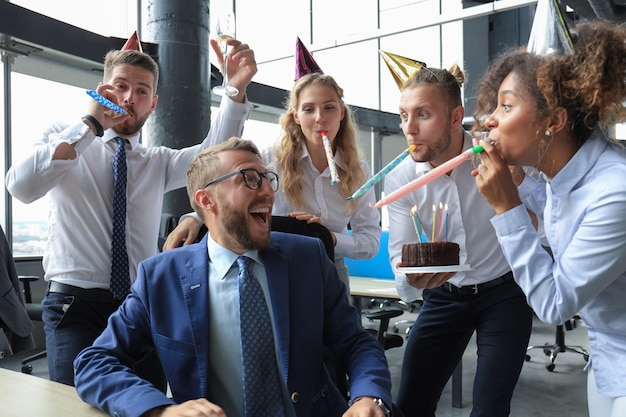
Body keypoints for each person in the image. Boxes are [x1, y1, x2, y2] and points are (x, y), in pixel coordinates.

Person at [73, 137, 393, 417]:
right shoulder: (161, 277)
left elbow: (355, 342)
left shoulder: (307, 258)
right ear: (206, 200)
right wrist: (161, 409)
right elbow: (95, 363)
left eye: (268, 179)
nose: (268, 190)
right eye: (250, 179)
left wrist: (368, 395)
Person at [4, 36, 257, 386]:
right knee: (73, 407)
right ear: (100, 90)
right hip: (73, 307)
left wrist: (232, 92)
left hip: (139, 307)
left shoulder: (157, 162)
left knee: (147, 402)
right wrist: (90, 126)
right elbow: (21, 187)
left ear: (152, 104)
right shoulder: (64, 139)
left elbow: (216, 156)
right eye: (120, 86)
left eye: (141, 91)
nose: (128, 98)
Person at [472, 20, 626, 417]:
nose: (490, 120)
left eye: (505, 106)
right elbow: (552, 231)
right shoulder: (560, 177)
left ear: (552, 122)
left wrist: (506, 208)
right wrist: (519, 185)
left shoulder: (614, 191)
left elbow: (555, 304)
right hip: (607, 355)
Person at [384, 65, 533, 417]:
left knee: (490, 409)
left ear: (456, 117)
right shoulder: (401, 179)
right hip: (444, 296)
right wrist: (410, 278)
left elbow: (540, 226)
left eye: (423, 114)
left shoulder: (495, 159)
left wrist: (520, 183)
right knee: (409, 405)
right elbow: (400, 255)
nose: (409, 128)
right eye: (404, 115)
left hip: (504, 294)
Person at [164, 72, 381, 293]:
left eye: (329, 107)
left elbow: (371, 243)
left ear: (341, 113)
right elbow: (230, 194)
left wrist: (329, 238)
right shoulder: (268, 159)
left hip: (330, 270)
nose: (320, 118)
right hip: (272, 266)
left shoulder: (358, 171)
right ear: (296, 116)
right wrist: (195, 219)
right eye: (308, 109)